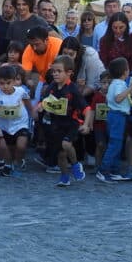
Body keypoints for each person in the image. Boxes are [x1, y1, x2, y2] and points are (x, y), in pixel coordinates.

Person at [33, 56, 90, 186]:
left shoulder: (73, 89)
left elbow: (87, 108)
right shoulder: (52, 86)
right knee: (60, 154)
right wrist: (41, 105)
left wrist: (86, 124)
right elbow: (44, 99)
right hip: (56, 124)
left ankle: (75, 165)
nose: (55, 74)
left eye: (59, 71)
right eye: (53, 71)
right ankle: (65, 176)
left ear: (69, 72)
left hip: (71, 123)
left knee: (66, 144)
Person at [0, 63, 35, 178]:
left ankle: (18, 162)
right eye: (2, 83)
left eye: (8, 83)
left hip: (20, 123)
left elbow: (27, 100)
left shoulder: (20, 91)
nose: (5, 86)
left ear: (14, 81)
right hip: (3, 125)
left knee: (21, 146)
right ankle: (8, 164)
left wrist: (32, 111)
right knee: (4, 148)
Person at [96, 57, 132, 183]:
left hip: (113, 115)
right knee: (115, 145)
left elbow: (109, 100)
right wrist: (130, 89)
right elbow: (118, 98)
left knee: (116, 144)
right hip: (118, 116)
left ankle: (114, 170)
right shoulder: (120, 84)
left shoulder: (113, 84)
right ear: (125, 72)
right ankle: (103, 170)